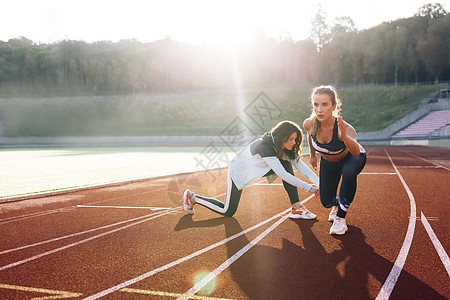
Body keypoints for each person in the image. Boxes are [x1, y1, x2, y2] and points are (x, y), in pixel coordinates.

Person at [183, 120, 320, 219]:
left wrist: (321, 185)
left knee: (286, 163)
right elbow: (283, 175)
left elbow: (302, 167)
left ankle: (296, 208)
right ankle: (193, 197)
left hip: (260, 168)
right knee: (228, 211)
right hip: (239, 171)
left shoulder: (283, 147)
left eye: (295, 140)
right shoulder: (265, 146)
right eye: (290, 139)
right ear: (281, 137)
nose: (293, 143)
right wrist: (311, 189)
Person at [303, 85, 367, 235]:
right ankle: (337, 204)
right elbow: (309, 136)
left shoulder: (345, 129)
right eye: (316, 104)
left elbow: (356, 151)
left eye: (324, 104)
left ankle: (340, 220)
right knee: (326, 201)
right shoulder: (309, 124)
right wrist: (313, 155)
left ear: (333, 106)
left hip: (352, 157)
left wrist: (344, 137)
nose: (319, 109)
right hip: (329, 161)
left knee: (348, 172)